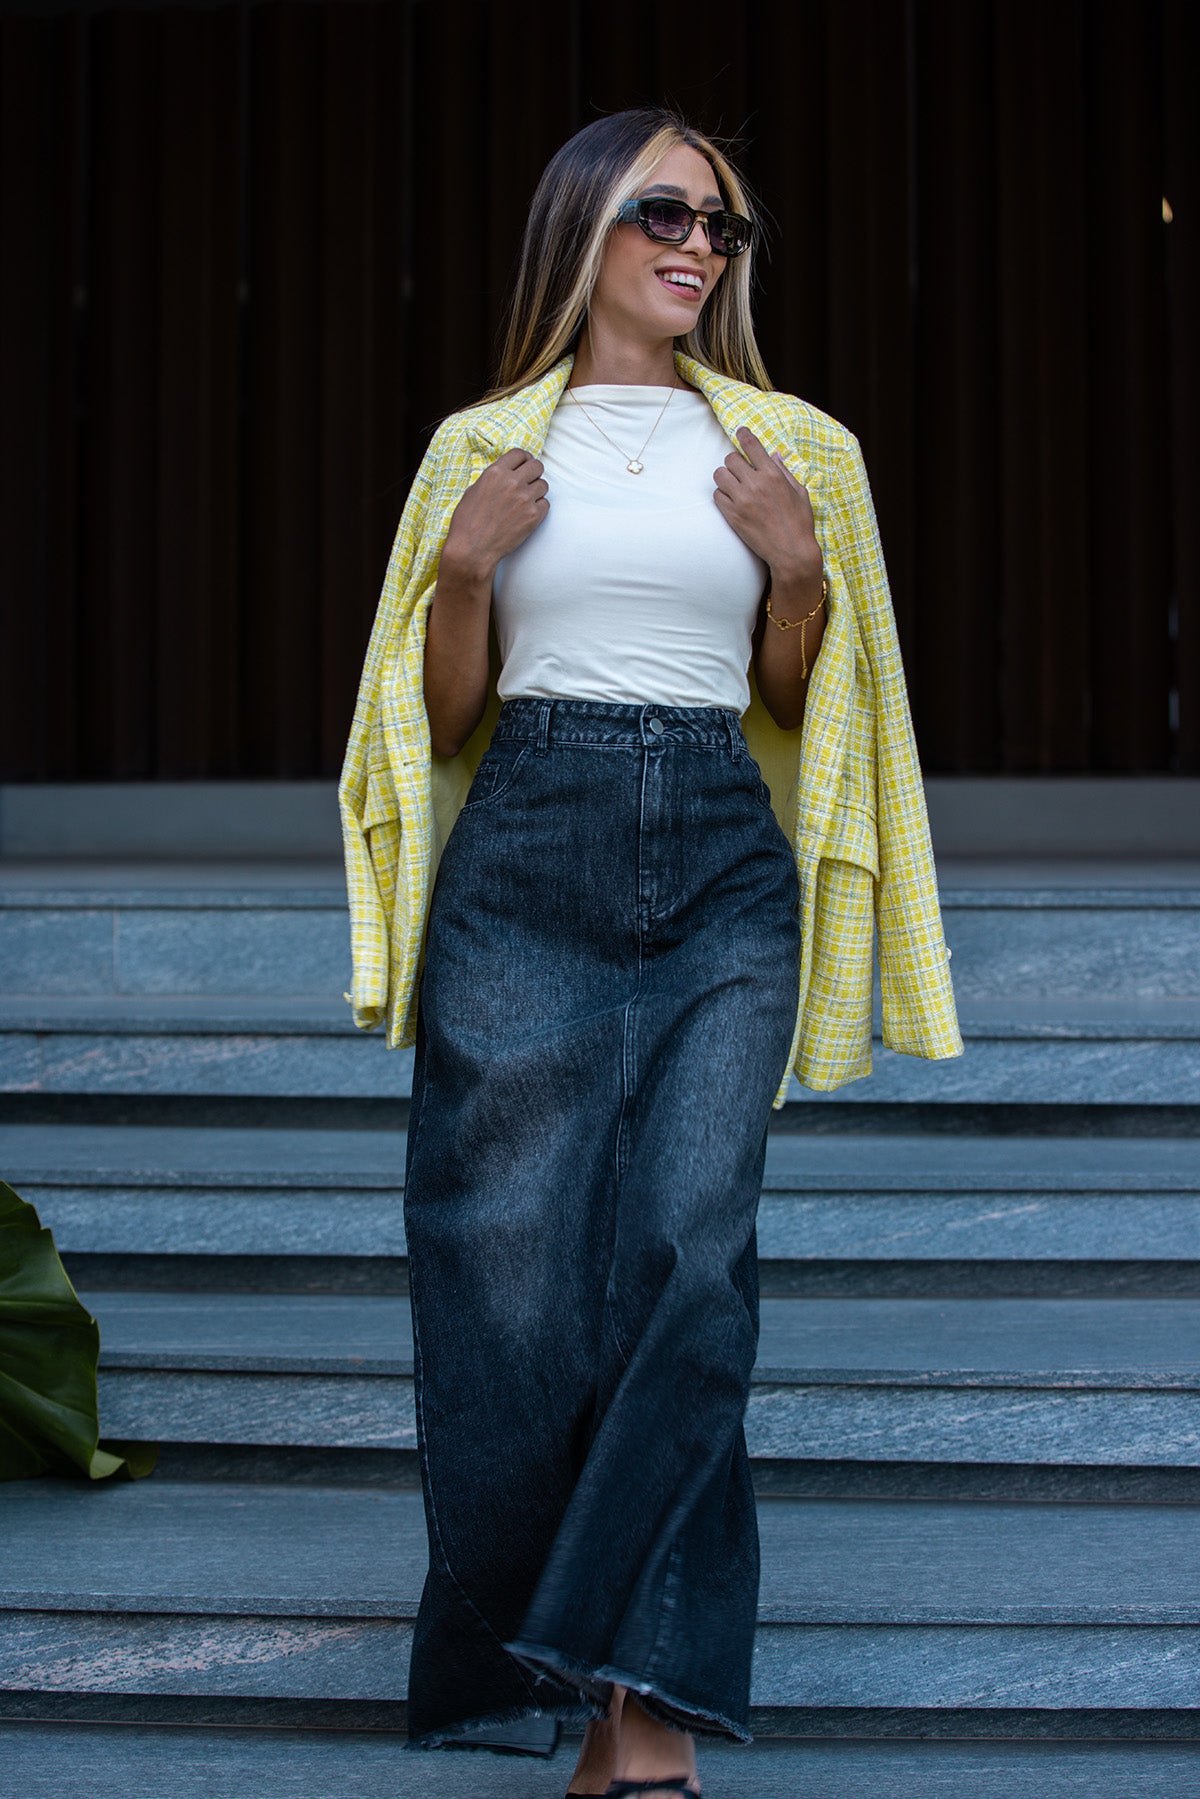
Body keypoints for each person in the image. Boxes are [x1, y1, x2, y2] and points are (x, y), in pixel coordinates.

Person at [339, 106, 962, 1799]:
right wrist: (463, 577)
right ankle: (548, 1675)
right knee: (510, 1285)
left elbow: (796, 709)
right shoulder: (483, 446)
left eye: (727, 227)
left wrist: (801, 572)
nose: (700, 245)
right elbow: (442, 723)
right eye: (667, 213)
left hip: (715, 861)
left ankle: (651, 1713)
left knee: (692, 1267)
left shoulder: (794, 449)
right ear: (584, 229)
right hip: (526, 851)